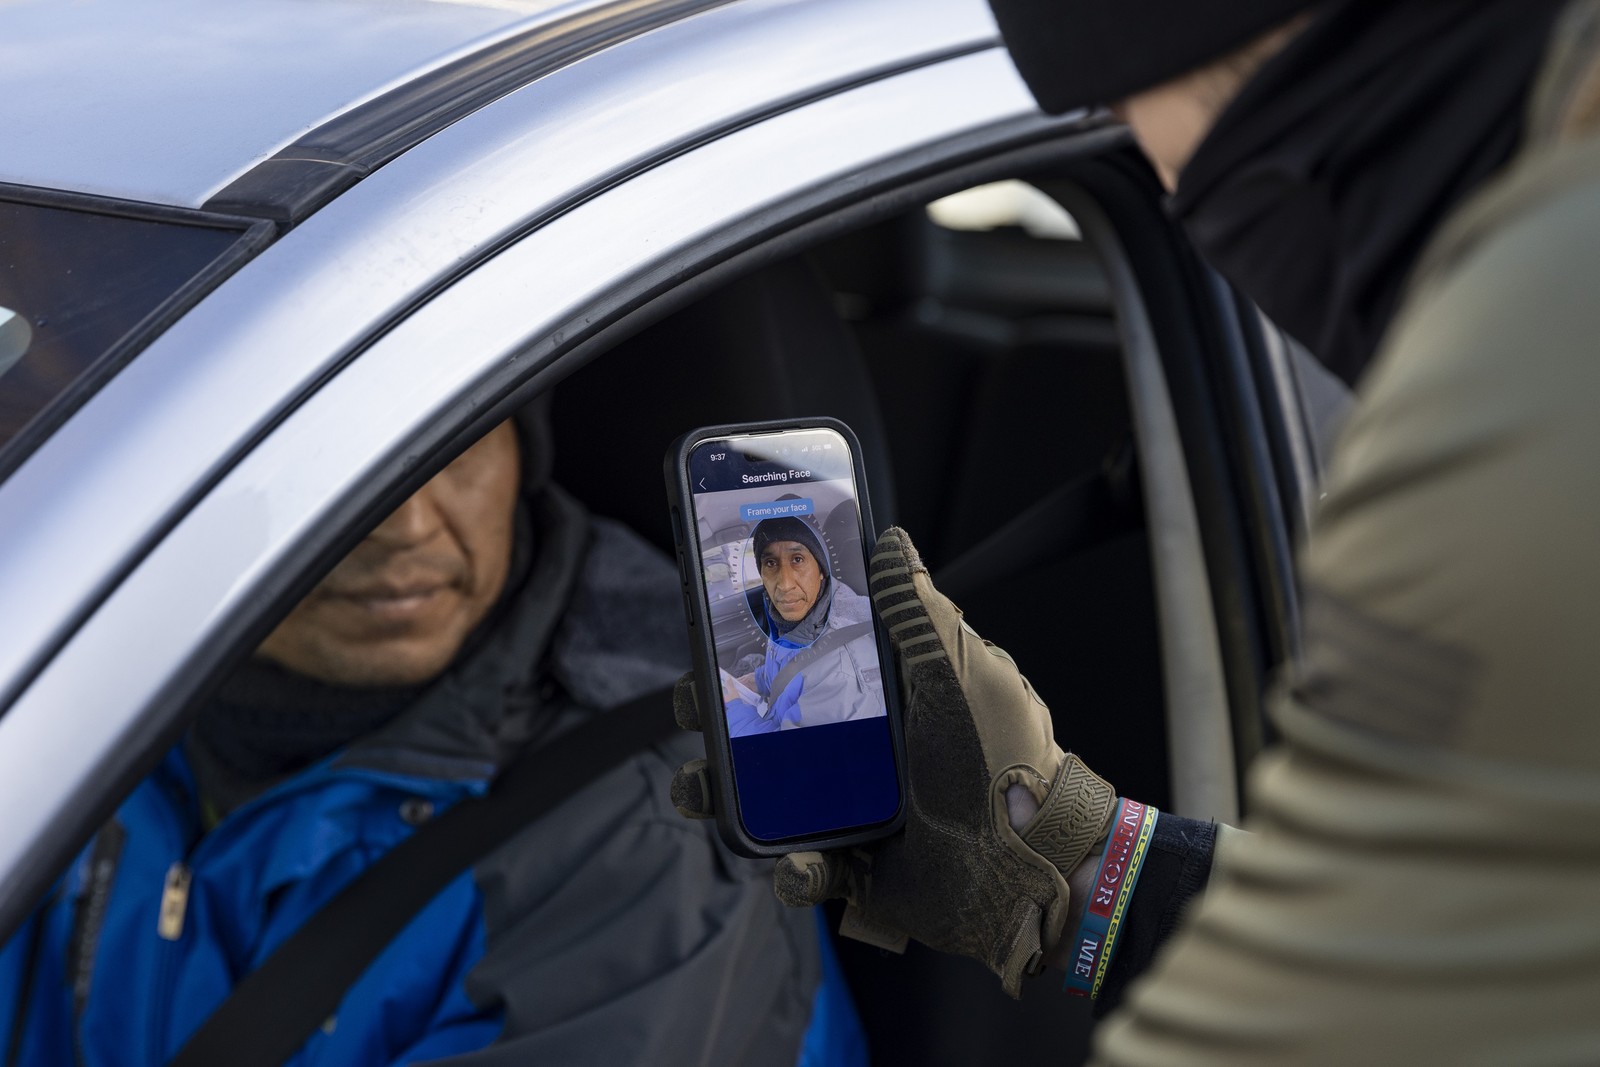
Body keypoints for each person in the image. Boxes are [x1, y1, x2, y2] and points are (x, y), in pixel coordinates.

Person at [672, 0, 1600, 1061]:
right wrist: (1065, 854)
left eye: (1147, 136)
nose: (1169, 197)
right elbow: (1481, 945)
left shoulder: (1537, 374)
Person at [0, 408, 865, 1065]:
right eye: (325, 460)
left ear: (520, 449)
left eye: (457, 440)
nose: (408, 525)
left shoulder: (649, 826)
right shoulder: (60, 692)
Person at [721, 514, 884, 737]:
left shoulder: (841, 669)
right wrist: (756, 680)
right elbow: (789, 667)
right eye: (770, 563)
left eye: (797, 559)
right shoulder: (794, 618)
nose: (785, 584)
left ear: (821, 570)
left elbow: (788, 756)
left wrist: (733, 709)